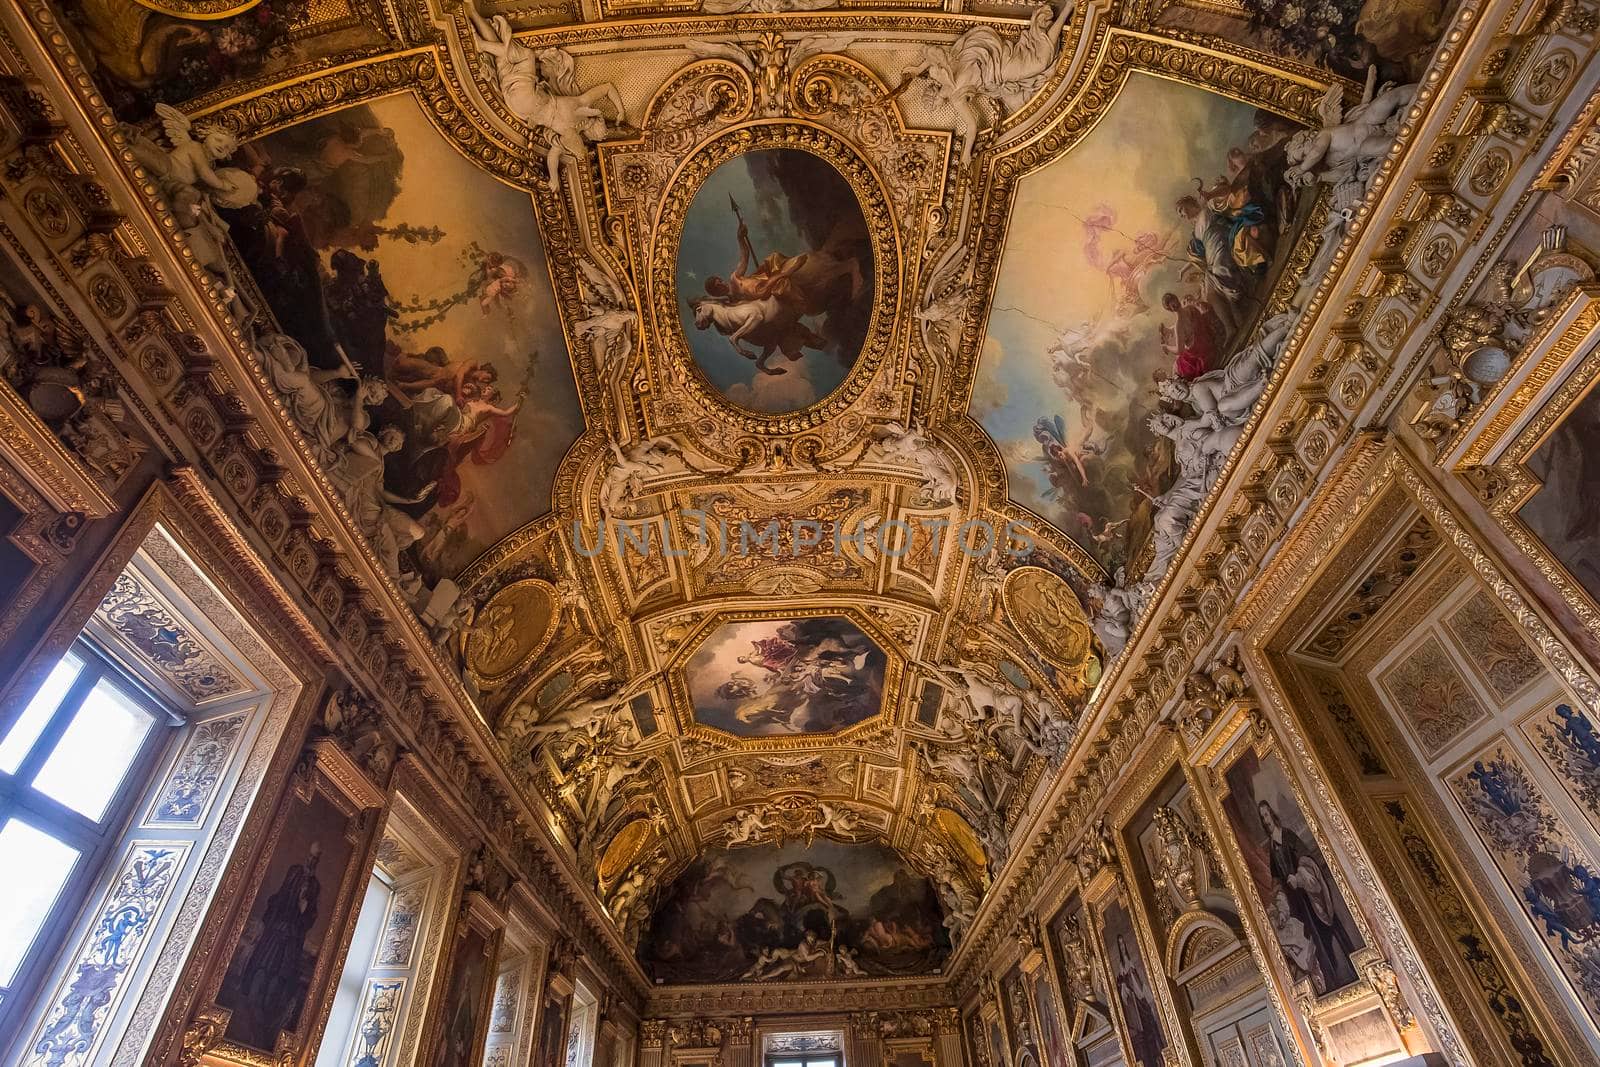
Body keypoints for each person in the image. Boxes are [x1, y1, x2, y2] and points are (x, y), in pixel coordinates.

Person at [1258, 799, 1358, 990]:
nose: (1266, 820)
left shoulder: (1287, 836)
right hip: (1298, 903)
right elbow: (1277, 879)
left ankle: (1354, 967)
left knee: (1334, 929)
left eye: (1266, 815)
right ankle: (1333, 982)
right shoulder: (1272, 847)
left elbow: (1305, 857)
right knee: (1318, 942)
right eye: (1262, 818)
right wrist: (1281, 901)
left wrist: (1299, 878)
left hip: (1312, 895)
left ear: (1272, 814)